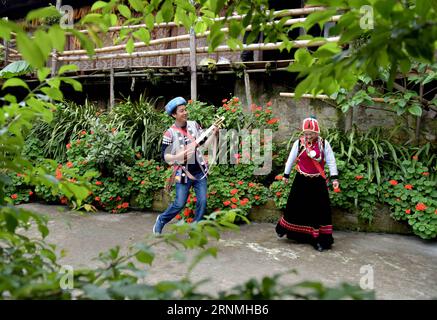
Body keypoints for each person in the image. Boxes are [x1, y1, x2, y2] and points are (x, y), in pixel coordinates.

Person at [152, 97, 217, 235]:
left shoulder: (194, 125)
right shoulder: (169, 133)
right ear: (174, 115)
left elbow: (204, 145)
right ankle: (161, 220)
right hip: (183, 173)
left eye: (185, 109)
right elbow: (165, 156)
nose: (185, 112)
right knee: (179, 203)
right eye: (181, 111)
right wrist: (177, 157)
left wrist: (213, 134)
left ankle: (195, 228)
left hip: (199, 171)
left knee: (203, 201)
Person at [275, 117, 339, 252]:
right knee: (296, 206)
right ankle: (290, 231)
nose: (308, 136)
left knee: (318, 210)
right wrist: (286, 175)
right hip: (301, 180)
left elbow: (331, 161)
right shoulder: (299, 143)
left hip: (317, 182)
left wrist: (334, 178)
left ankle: (318, 239)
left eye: (311, 133)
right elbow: (291, 159)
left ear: (317, 132)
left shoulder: (324, 144)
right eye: (306, 133)